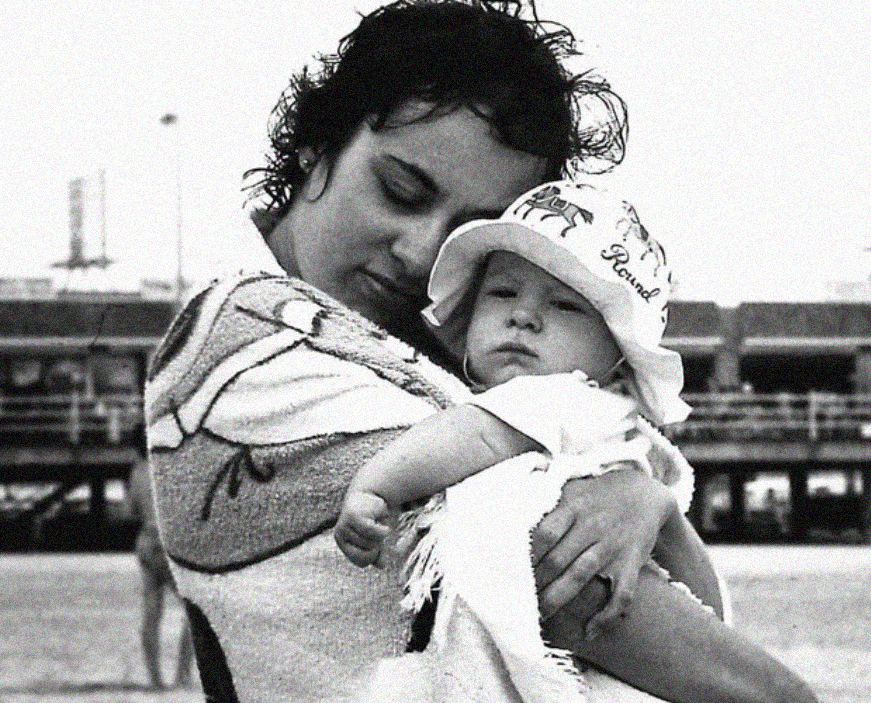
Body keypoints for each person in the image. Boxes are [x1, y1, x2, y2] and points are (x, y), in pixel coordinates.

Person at [144, 0, 818, 703]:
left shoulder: (407, 352)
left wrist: (639, 492)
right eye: (401, 191)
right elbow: (556, 571)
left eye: (473, 235)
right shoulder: (248, 341)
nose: (422, 249)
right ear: (314, 149)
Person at [335, 180, 816, 701]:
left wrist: (373, 486)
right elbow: (710, 612)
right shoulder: (630, 438)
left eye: (565, 306)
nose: (523, 315)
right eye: (501, 292)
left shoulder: (559, 398)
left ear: (615, 357)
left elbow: (470, 435)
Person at [125, 423, 194, 690]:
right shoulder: (172, 467)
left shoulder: (138, 471)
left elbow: (129, 511)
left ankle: (155, 679)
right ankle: (182, 674)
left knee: (152, 614)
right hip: (171, 542)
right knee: (191, 612)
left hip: (146, 541)